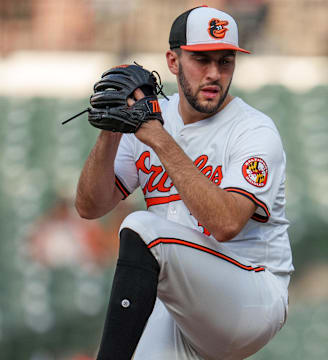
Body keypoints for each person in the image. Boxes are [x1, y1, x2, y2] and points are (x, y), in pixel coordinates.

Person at [75, 6, 294, 360]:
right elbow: (89, 206)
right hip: (182, 302)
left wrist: (158, 138)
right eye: (201, 59)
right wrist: (111, 132)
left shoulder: (253, 130)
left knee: (141, 226)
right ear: (173, 61)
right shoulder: (150, 119)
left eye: (225, 62)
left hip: (251, 294)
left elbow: (225, 224)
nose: (214, 73)